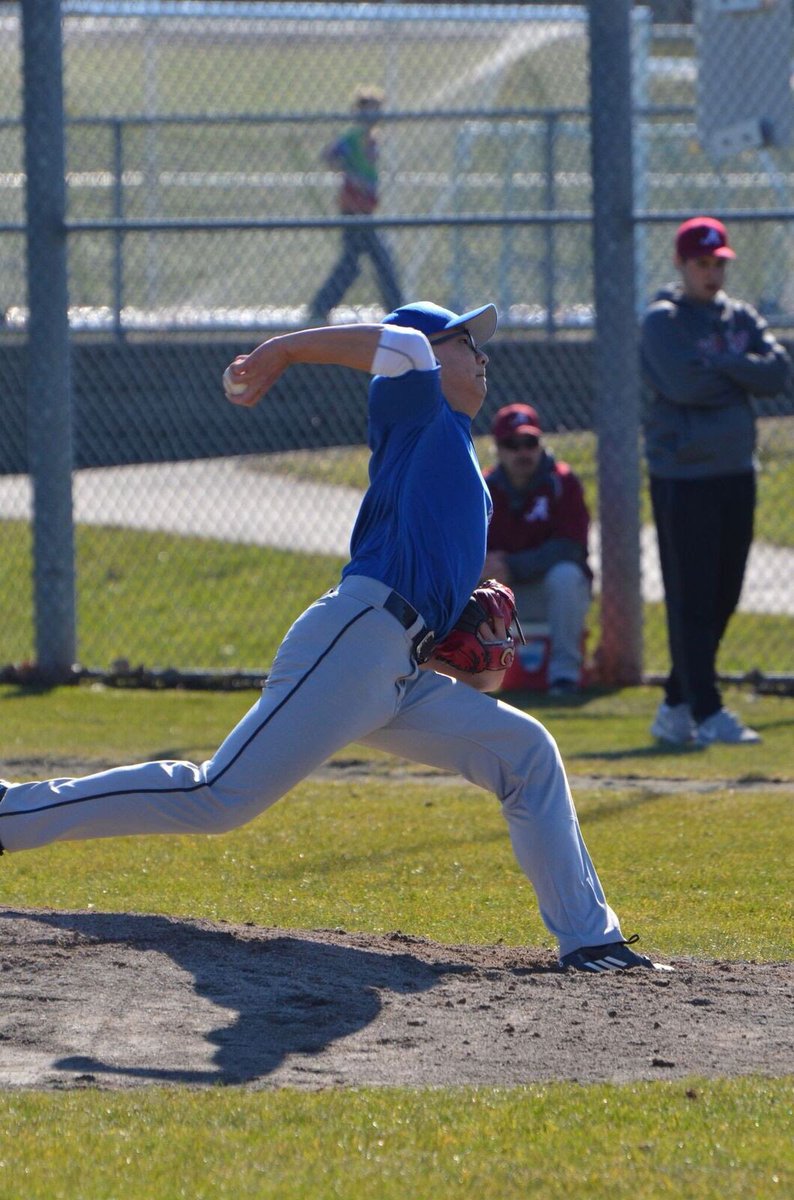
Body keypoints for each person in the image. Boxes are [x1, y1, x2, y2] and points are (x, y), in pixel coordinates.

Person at [0, 300, 672, 975]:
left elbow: (466, 649)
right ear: (432, 354)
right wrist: (282, 351)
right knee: (216, 797)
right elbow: (402, 347)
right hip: (357, 638)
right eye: (467, 340)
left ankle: (591, 939)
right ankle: (8, 814)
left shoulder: (462, 459)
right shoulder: (418, 409)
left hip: (398, 665)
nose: (482, 354)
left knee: (526, 753)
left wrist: (457, 634)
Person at [641, 216, 791, 747]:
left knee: (725, 594)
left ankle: (676, 703)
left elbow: (779, 374)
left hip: (735, 471)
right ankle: (706, 710)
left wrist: (724, 361)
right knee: (692, 596)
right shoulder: (663, 321)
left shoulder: (740, 317)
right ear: (681, 265)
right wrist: (739, 374)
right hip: (684, 476)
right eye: (701, 264)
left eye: (718, 263)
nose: (711, 273)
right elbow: (685, 384)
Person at [482, 403, 592, 696]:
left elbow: (571, 548)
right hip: (504, 593)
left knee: (566, 576)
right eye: (512, 444)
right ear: (498, 448)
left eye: (529, 442)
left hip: (550, 592)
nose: (522, 452)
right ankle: (473, 673)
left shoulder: (562, 482)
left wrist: (513, 564)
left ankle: (564, 678)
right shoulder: (483, 488)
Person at [308, 86, 402, 323]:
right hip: (353, 208)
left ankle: (320, 306)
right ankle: (398, 308)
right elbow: (329, 155)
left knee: (353, 263)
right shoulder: (353, 137)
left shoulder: (371, 139)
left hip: (365, 208)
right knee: (380, 259)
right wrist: (350, 174)